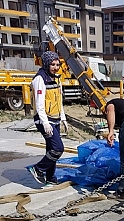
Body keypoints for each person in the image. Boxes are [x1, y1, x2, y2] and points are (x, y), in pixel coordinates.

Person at [29, 51, 68, 186]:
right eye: (52, 64)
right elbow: (39, 104)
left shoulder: (56, 78)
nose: (55, 67)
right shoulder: (40, 79)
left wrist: (63, 118)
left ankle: (50, 177)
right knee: (58, 148)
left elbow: (59, 99)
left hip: (55, 117)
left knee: (50, 149)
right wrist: (45, 123)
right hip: (44, 119)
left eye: (57, 64)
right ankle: (38, 169)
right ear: (46, 64)